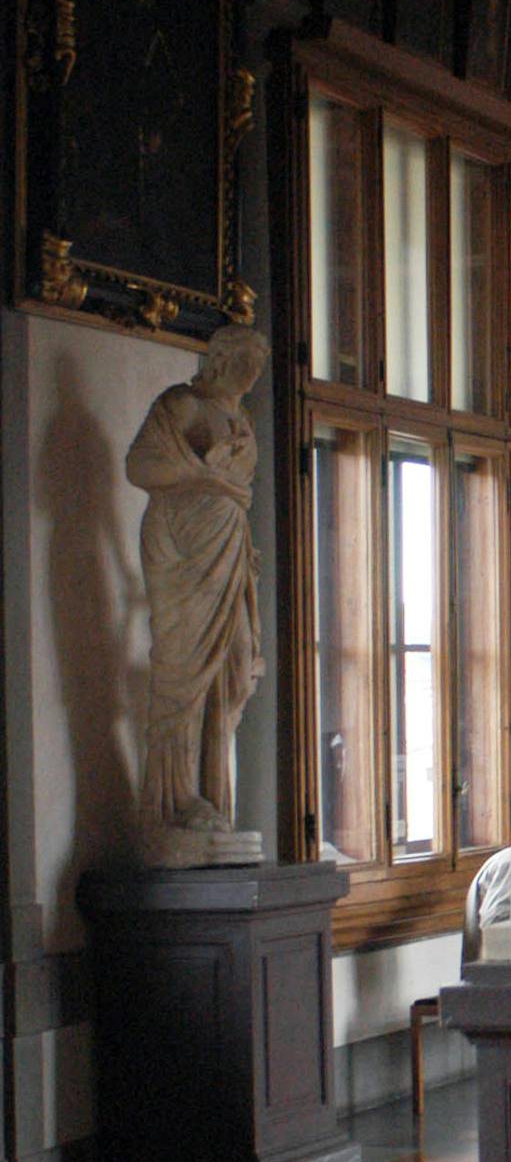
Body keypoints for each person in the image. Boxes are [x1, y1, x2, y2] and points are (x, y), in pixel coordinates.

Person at [126, 325, 271, 848]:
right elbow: (139, 466)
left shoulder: (244, 418)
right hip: (183, 549)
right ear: (219, 358)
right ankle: (174, 801)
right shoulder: (183, 405)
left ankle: (214, 796)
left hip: (228, 548)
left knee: (231, 670)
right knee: (184, 675)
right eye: (245, 358)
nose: (253, 370)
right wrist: (207, 480)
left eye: (259, 360)